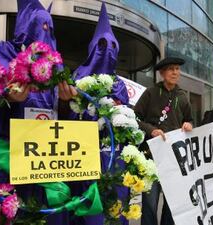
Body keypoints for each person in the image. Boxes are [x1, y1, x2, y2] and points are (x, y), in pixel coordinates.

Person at [0, 1, 76, 224]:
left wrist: (68, 102)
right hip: (2, 159)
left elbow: (64, 118)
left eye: (49, 26)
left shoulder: (56, 66)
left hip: (43, 162)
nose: (43, 31)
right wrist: (5, 97)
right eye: (38, 24)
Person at [68, 3, 130, 225]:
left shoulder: (119, 84)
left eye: (113, 46)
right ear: (93, 47)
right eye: (103, 45)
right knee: (89, 208)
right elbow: (71, 117)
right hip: (84, 157)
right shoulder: (79, 78)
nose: (108, 50)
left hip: (114, 157)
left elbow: (127, 122)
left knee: (115, 206)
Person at [134, 57, 193, 225]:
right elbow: (135, 117)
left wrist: (189, 124)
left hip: (175, 159)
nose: (175, 72)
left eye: (177, 69)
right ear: (162, 73)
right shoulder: (150, 93)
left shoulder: (183, 96)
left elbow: (190, 120)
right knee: (150, 203)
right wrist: (151, 130)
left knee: (172, 204)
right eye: (171, 69)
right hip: (151, 158)